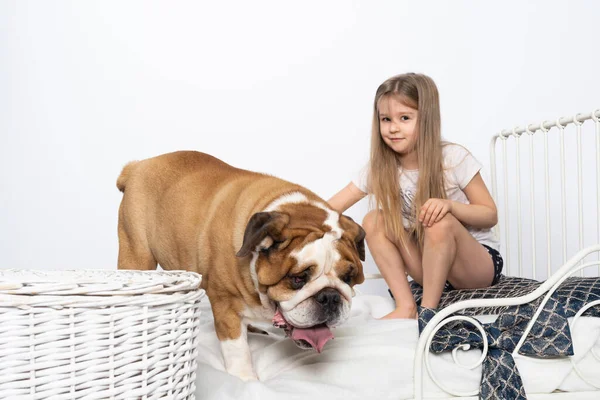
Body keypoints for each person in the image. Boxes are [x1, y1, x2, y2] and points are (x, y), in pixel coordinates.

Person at [328, 73, 503, 319]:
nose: (393, 128)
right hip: (431, 268)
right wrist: (288, 217)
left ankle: (429, 313)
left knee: (438, 220)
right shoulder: (381, 167)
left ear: (427, 120)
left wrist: (449, 206)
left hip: (476, 267)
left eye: (405, 118)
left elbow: (490, 214)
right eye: (385, 119)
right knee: (373, 219)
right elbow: (329, 208)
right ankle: (407, 307)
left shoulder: (453, 158)